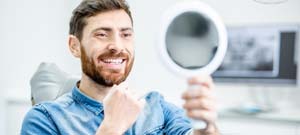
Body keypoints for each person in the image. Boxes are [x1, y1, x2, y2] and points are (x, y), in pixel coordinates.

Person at [21, 0, 218, 134]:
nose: (117, 45)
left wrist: (207, 128)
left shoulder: (158, 108)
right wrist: (112, 127)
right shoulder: (45, 118)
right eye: (102, 34)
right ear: (75, 46)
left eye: (125, 34)